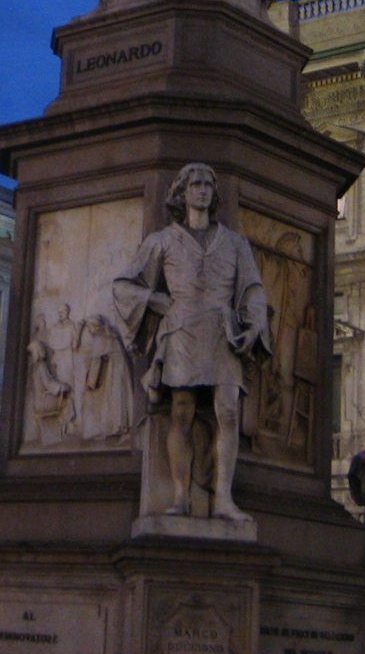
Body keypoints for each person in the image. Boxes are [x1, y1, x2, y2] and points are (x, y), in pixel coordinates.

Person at [113, 163, 269, 522]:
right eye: (195, 185)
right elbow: (125, 285)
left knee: (228, 410)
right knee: (181, 409)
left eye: (208, 185)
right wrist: (156, 300)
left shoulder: (235, 243)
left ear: (214, 194)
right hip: (181, 329)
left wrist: (254, 325)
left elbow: (253, 289)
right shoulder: (162, 241)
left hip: (223, 331)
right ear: (182, 193)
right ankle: (181, 495)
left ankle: (224, 498)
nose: (202, 190)